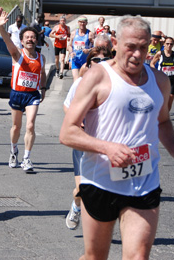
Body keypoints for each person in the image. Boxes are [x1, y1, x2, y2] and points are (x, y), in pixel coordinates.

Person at [60, 16, 174, 259]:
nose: (138, 54)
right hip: (100, 181)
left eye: (144, 47)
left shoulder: (159, 81)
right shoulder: (97, 77)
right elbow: (67, 132)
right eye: (131, 47)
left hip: (144, 181)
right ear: (116, 43)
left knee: (138, 256)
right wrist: (107, 148)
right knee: (96, 256)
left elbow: (163, 122)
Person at [64, 44, 113, 230]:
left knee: (106, 187)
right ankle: (76, 206)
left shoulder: (116, 84)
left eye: (104, 59)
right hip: (83, 140)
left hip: (107, 142)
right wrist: (76, 122)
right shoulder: (80, 83)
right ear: (89, 62)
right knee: (82, 189)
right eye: (96, 60)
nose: (100, 63)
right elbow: (67, 106)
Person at [0, 8, 47, 173]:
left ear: (36, 40)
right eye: (27, 37)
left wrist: (43, 88)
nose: (30, 40)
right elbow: (6, 41)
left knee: (30, 125)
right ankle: (13, 150)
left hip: (32, 95)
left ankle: (26, 158)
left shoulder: (41, 57)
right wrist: (1, 28)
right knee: (16, 127)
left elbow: (43, 73)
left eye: (32, 37)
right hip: (17, 94)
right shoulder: (17, 54)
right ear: (22, 40)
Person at [151, 37, 174, 111]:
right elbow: (152, 63)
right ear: (164, 44)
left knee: (169, 101)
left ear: (173, 45)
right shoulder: (159, 54)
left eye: (171, 44)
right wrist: (155, 72)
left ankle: (165, 115)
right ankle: (159, 114)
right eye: (167, 44)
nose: (169, 45)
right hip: (161, 80)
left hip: (172, 80)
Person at [68, 16, 94, 81]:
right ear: (78, 23)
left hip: (85, 60)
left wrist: (88, 50)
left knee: (84, 80)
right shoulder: (74, 33)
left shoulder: (90, 34)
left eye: (84, 22)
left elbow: (95, 47)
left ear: (86, 23)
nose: (82, 24)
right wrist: (71, 53)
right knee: (76, 79)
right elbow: (69, 46)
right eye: (80, 22)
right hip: (75, 59)